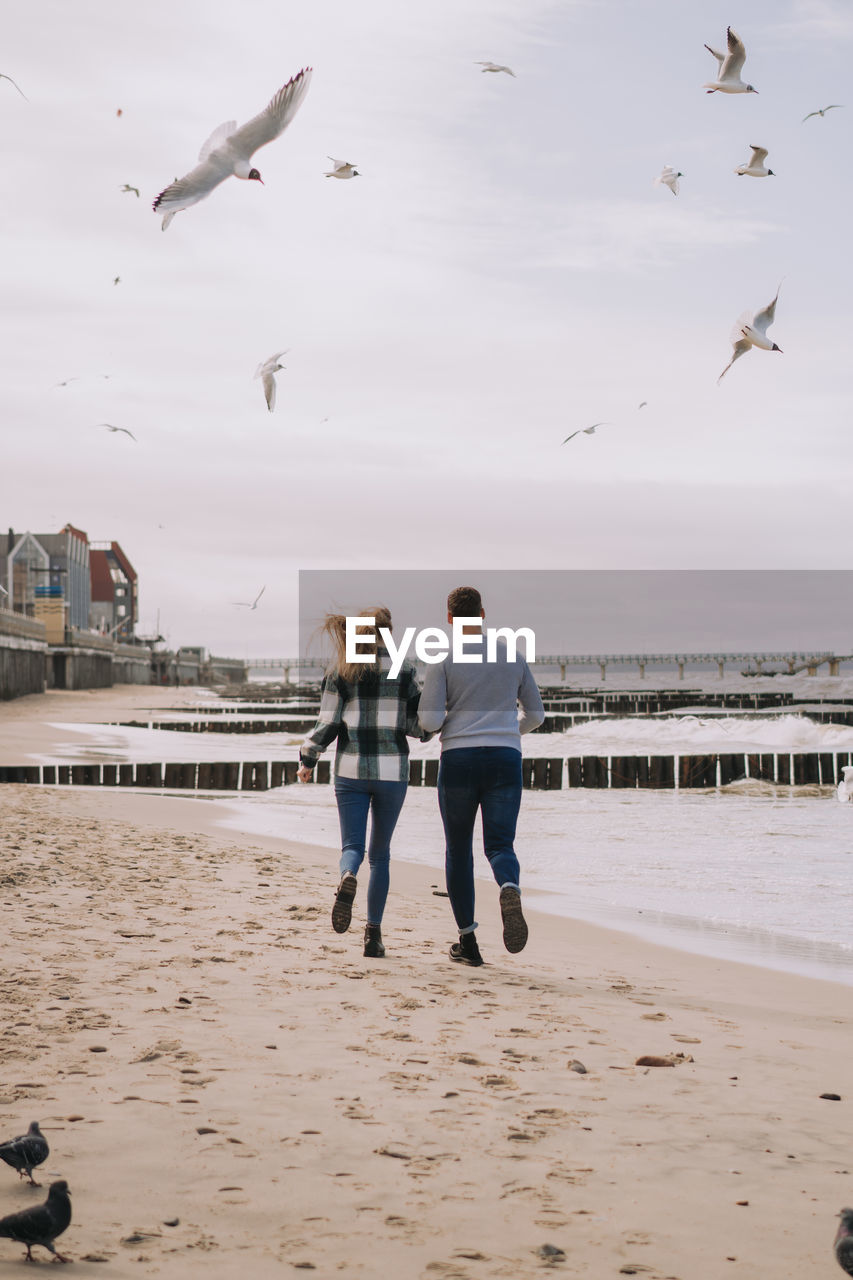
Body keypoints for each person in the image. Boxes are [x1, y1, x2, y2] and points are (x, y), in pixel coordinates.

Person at [418, 585, 544, 966]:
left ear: (450, 618)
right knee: (500, 845)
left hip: (459, 759)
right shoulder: (513, 657)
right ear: (483, 613)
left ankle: (468, 943)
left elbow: (429, 721)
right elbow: (536, 715)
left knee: (458, 849)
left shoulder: (442, 661)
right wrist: (507, 734)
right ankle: (508, 885)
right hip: (505, 759)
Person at [297, 607, 429, 958]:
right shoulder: (405, 668)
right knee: (381, 856)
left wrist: (307, 759)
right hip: (391, 773)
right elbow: (417, 726)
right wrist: (432, 728)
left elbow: (327, 724)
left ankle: (346, 876)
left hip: (350, 772)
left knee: (352, 847)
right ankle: (373, 935)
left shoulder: (342, 669)